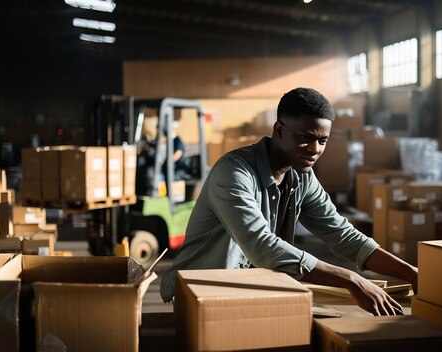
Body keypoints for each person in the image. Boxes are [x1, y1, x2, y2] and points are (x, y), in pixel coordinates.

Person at [160, 87, 418, 316]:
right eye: (305, 137)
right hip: (201, 293)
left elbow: (342, 235)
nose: (314, 149)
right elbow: (261, 246)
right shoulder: (234, 172)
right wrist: (351, 279)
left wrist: (413, 275)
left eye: (322, 141)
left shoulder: (302, 177)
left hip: (250, 289)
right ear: (279, 130)